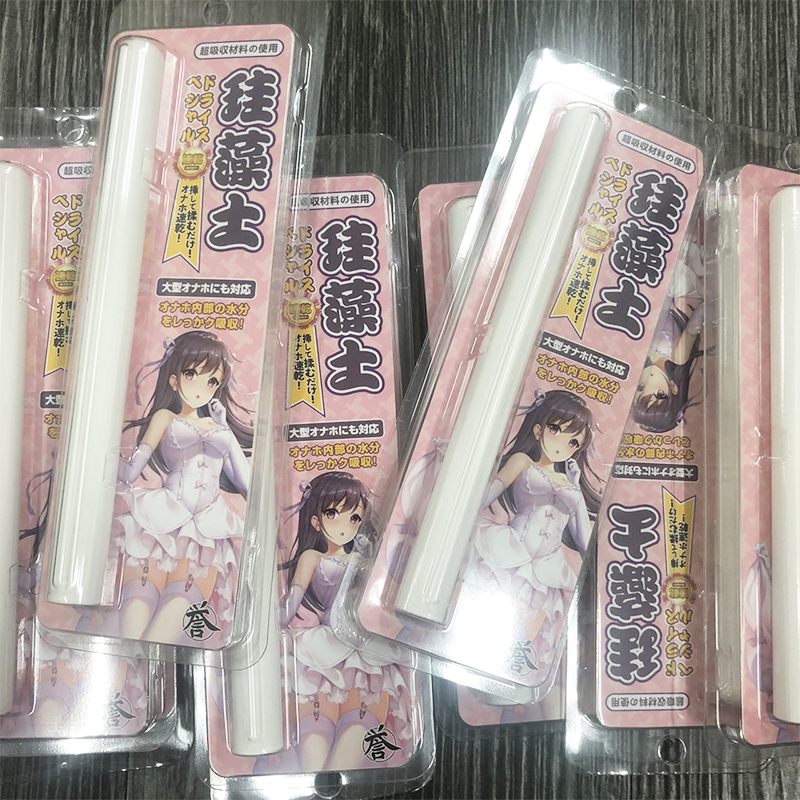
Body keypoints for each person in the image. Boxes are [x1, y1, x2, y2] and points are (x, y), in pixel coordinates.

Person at [115, 331, 252, 644]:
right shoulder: (165, 417)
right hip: (161, 523)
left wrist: (226, 428)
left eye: (212, 381)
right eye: (191, 374)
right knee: (136, 615)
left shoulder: (219, 429)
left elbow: (245, 483)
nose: (201, 387)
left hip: (206, 531)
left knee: (173, 618)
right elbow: (133, 468)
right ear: (174, 380)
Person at [281, 471, 410, 771]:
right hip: (320, 649)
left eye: (354, 518)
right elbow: (289, 605)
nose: (345, 525)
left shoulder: (366, 561)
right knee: (314, 739)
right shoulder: (311, 558)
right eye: (332, 514)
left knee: (357, 731)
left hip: (364, 649)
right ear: (316, 521)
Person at [473, 389, 602, 674]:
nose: (562, 443)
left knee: (524, 639)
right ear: (538, 429)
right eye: (555, 429)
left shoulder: (570, 482)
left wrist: (576, 488)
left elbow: (584, 540)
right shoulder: (523, 461)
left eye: (573, 441)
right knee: (495, 625)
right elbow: (487, 495)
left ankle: (509, 673)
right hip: (511, 552)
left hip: (547, 569)